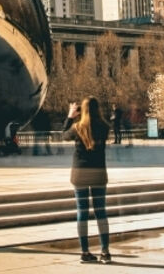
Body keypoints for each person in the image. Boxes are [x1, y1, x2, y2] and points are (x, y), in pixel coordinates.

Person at [63, 96, 111, 264]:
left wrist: (70, 116)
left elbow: (64, 135)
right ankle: (105, 251)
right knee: (101, 212)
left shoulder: (76, 128)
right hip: (98, 172)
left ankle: (85, 251)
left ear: (82, 110)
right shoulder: (104, 127)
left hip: (80, 174)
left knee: (82, 213)